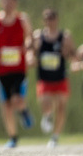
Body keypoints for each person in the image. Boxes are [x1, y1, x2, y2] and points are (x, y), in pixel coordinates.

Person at [0, 0, 34, 148]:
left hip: (19, 68)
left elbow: (30, 39)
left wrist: (29, 50)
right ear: (1, 2)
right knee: (6, 105)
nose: (8, 5)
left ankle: (24, 111)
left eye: (11, 2)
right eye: (5, 1)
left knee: (16, 100)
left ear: (16, 3)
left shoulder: (23, 19)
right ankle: (13, 137)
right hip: (1, 70)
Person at [32, 8, 75, 148]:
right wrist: (31, 57)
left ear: (57, 20)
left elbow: (73, 55)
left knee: (61, 107)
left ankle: (55, 136)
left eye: (52, 18)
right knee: (45, 101)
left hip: (60, 77)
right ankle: (47, 115)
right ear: (43, 21)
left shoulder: (65, 36)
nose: (49, 21)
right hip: (44, 77)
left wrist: (68, 53)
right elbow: (29, 52)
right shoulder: (38, 36)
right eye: (47, 18)